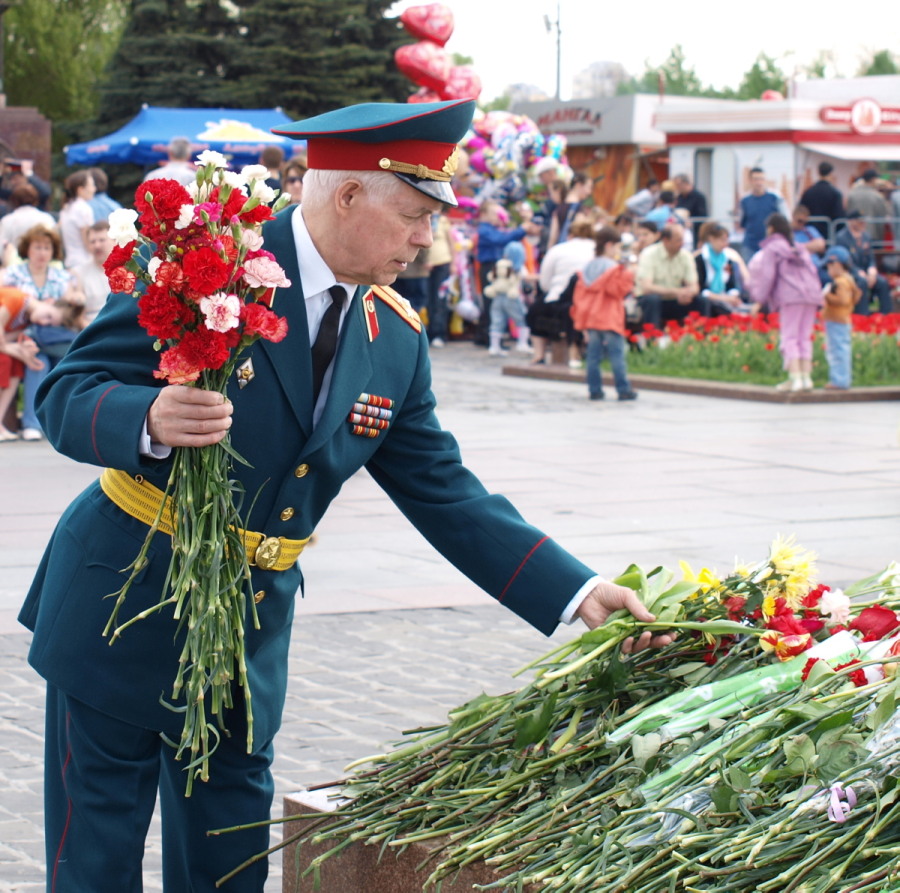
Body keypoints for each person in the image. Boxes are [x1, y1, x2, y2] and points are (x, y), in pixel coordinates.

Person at [21, 99, 670, 892]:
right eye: (413, 214)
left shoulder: (393, 340)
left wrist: (577, 590)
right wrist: (146, 417)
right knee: (94, 861)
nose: (426, 239)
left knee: (227, 863)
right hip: (123, 602)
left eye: (434, 219)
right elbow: (67, 392)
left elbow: (444, 492)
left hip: (246, 634)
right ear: (350, 196)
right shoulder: (209, 258)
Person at [2, 224, 72, 440]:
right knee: (36, 358)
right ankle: (32, 423)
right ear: (27, 249)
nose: (42, 253)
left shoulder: (61, 276)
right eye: (37, 247)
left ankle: (51, 423)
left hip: (49, 335)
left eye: (47, 248)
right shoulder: (13, 281)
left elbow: (68, 306)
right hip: (25, 334)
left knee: (46, 357)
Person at [748, 213, 823, 392]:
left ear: (771, 229)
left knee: (790, 336)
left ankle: (795, 377)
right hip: (811, 295)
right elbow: (813, 270)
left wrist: (759, 298)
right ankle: (806, 377)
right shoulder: (799, 247)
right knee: (804, 336)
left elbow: (768, 276)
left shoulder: (772, 248)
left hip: (791, 296)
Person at [570, 225, 637, 401]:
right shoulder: (613, 267)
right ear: (608, 245)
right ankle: (623, 389)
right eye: (616, 247)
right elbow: (617, 290)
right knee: (616, 355)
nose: (617, 251)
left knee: (593, 356)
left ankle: (595, 389)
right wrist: (628, 274)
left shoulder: (587, 268)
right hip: (609, 316)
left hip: (592, 317)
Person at [528, 214, 596, 366]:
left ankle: (539, 354)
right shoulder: (597, 251)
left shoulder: (558, 250)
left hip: (557, 301)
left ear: (570, 234)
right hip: (590, 303)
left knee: (535, 311)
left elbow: (545, 282)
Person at [635, 222, 707, 330]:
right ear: (666, 240)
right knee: (652, 300)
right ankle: (652, 339)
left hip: (676, 300)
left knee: (702, 301)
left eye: (683, 239)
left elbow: (694, 286)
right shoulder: (649, 254)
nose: (682, 243)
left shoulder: (686, 256)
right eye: (678, 240)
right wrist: (677, 291)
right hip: (653, 300)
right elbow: (647, 288)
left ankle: (702, 337)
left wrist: (688, 293)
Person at [0, 286, 43, 440]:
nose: (44, 322)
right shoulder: (17, 298)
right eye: (49, 316)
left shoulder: (25, 321)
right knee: (3, 361)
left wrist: (22, 354)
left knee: (15, 365)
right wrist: (20, 352)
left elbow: (6, 342)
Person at [834, 210, 893, 314]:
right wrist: (857, 272)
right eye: (859, 221)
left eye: (863, 221)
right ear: (851, 222)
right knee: (862, 282)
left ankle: (886, 314)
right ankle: (862, 314)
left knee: (882, 282)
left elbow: (871, 257)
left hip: (866, 272)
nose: (862, 224)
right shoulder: (841, 238)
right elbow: (844, 260)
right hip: (851, 272)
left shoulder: (866, 236)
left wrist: (872, 269)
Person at [820, 246, 861, 391]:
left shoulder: (840, 282)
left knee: (837, 351)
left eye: (829, 266)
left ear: (837, 265)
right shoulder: (849, 280)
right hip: (843, 319)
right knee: (841, 349)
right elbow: (856, 296)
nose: (828, 270)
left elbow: (842, 300)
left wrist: (826, 295)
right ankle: (842, 379)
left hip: (836, 319)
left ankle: (839, 380)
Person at [483, 241, 531, 356]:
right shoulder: (517, 268)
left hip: (498, 296)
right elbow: (525, 278)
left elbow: (491, 277)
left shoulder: (499, 265)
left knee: (497, 321)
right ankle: (522, 343)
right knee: (521, 319)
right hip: (512, 296)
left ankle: (494, 347)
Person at [694, 223, 749, 315]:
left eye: (726, 240)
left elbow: (731, 284)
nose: (725, 244)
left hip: (726, 300)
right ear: (711, 239)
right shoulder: (700, 259)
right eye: (722, 240)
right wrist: (723, 298)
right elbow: (701, 289)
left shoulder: (727, 259)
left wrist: (732, 297)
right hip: (709, 302)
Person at [0, 183, 56, 266]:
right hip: (42, 265)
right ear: (35, 200)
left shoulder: (7, 220)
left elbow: (1, 248)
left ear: (14, 201)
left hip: (15, 266)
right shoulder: (47, 218)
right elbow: (55, 244)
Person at [422, 209, 455, 347]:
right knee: (428, 299)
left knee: (439, 298)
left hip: (442, 262)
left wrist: (453, 263)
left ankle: (439, 333)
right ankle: (429, 332)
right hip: (426, 265)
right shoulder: (423, 218)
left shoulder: (443, 221)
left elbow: (451, 242)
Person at [739, 168, 787, 259]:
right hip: (750, 246)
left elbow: (785, 220)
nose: (759, 182)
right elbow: (743, 222)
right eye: (756, 179)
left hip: (771, 245)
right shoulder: (745, 201)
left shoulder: (774, 198)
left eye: (761, 179)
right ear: (750, 181)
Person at [72, 220, 114, 324]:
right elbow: (78, 317)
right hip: (93, 326)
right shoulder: (78, 273)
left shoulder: (129, 269)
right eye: (93, 242)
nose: (97, 246)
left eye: (102, 240)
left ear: (114, 241)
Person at [58, 170, 96, 269]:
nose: (94, 189)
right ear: (81, 189)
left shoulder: (66, 208)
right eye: (91, 185)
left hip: (70, 262)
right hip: (84, 263)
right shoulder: (83, 208)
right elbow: (87, 239)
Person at [799, 161, 844, 238]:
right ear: (831, 173)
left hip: (810, 234)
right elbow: (839, 216)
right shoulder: (835, 193)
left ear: (818, 172)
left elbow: (801, 210)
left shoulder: (808, 192)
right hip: (828, 234)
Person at [846, 169, 891, 244]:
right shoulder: (877, 196)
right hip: (873, 234)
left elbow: (848, 212)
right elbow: (882, 217)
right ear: (873, 179)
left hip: (854, 233)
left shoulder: (852, 194)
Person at [673, 173, 708, 239]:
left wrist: (692, 224)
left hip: (695, 233)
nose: (676, 187)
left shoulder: (698, 197)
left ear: (685, 183)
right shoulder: (679, 197)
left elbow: (703, 216)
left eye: (678, 185)